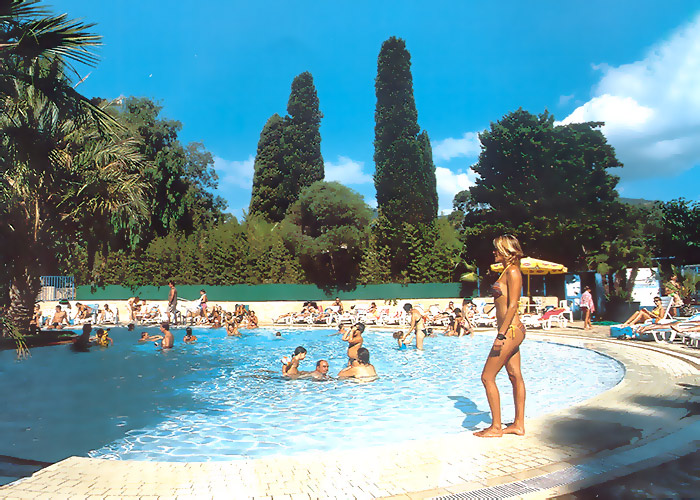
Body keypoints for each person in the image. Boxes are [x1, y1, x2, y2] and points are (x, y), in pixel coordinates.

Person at [475, 234, 526, 438]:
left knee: (487, 377)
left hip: (510, 331)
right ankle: (518, 425)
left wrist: (501, 335)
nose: (494, 252)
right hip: (512, 330)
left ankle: (496, 427)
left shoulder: (513, 271)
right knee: (514, 375)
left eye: (497, 249)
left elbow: (513, 304)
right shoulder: (506, 271)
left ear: (506, 250)